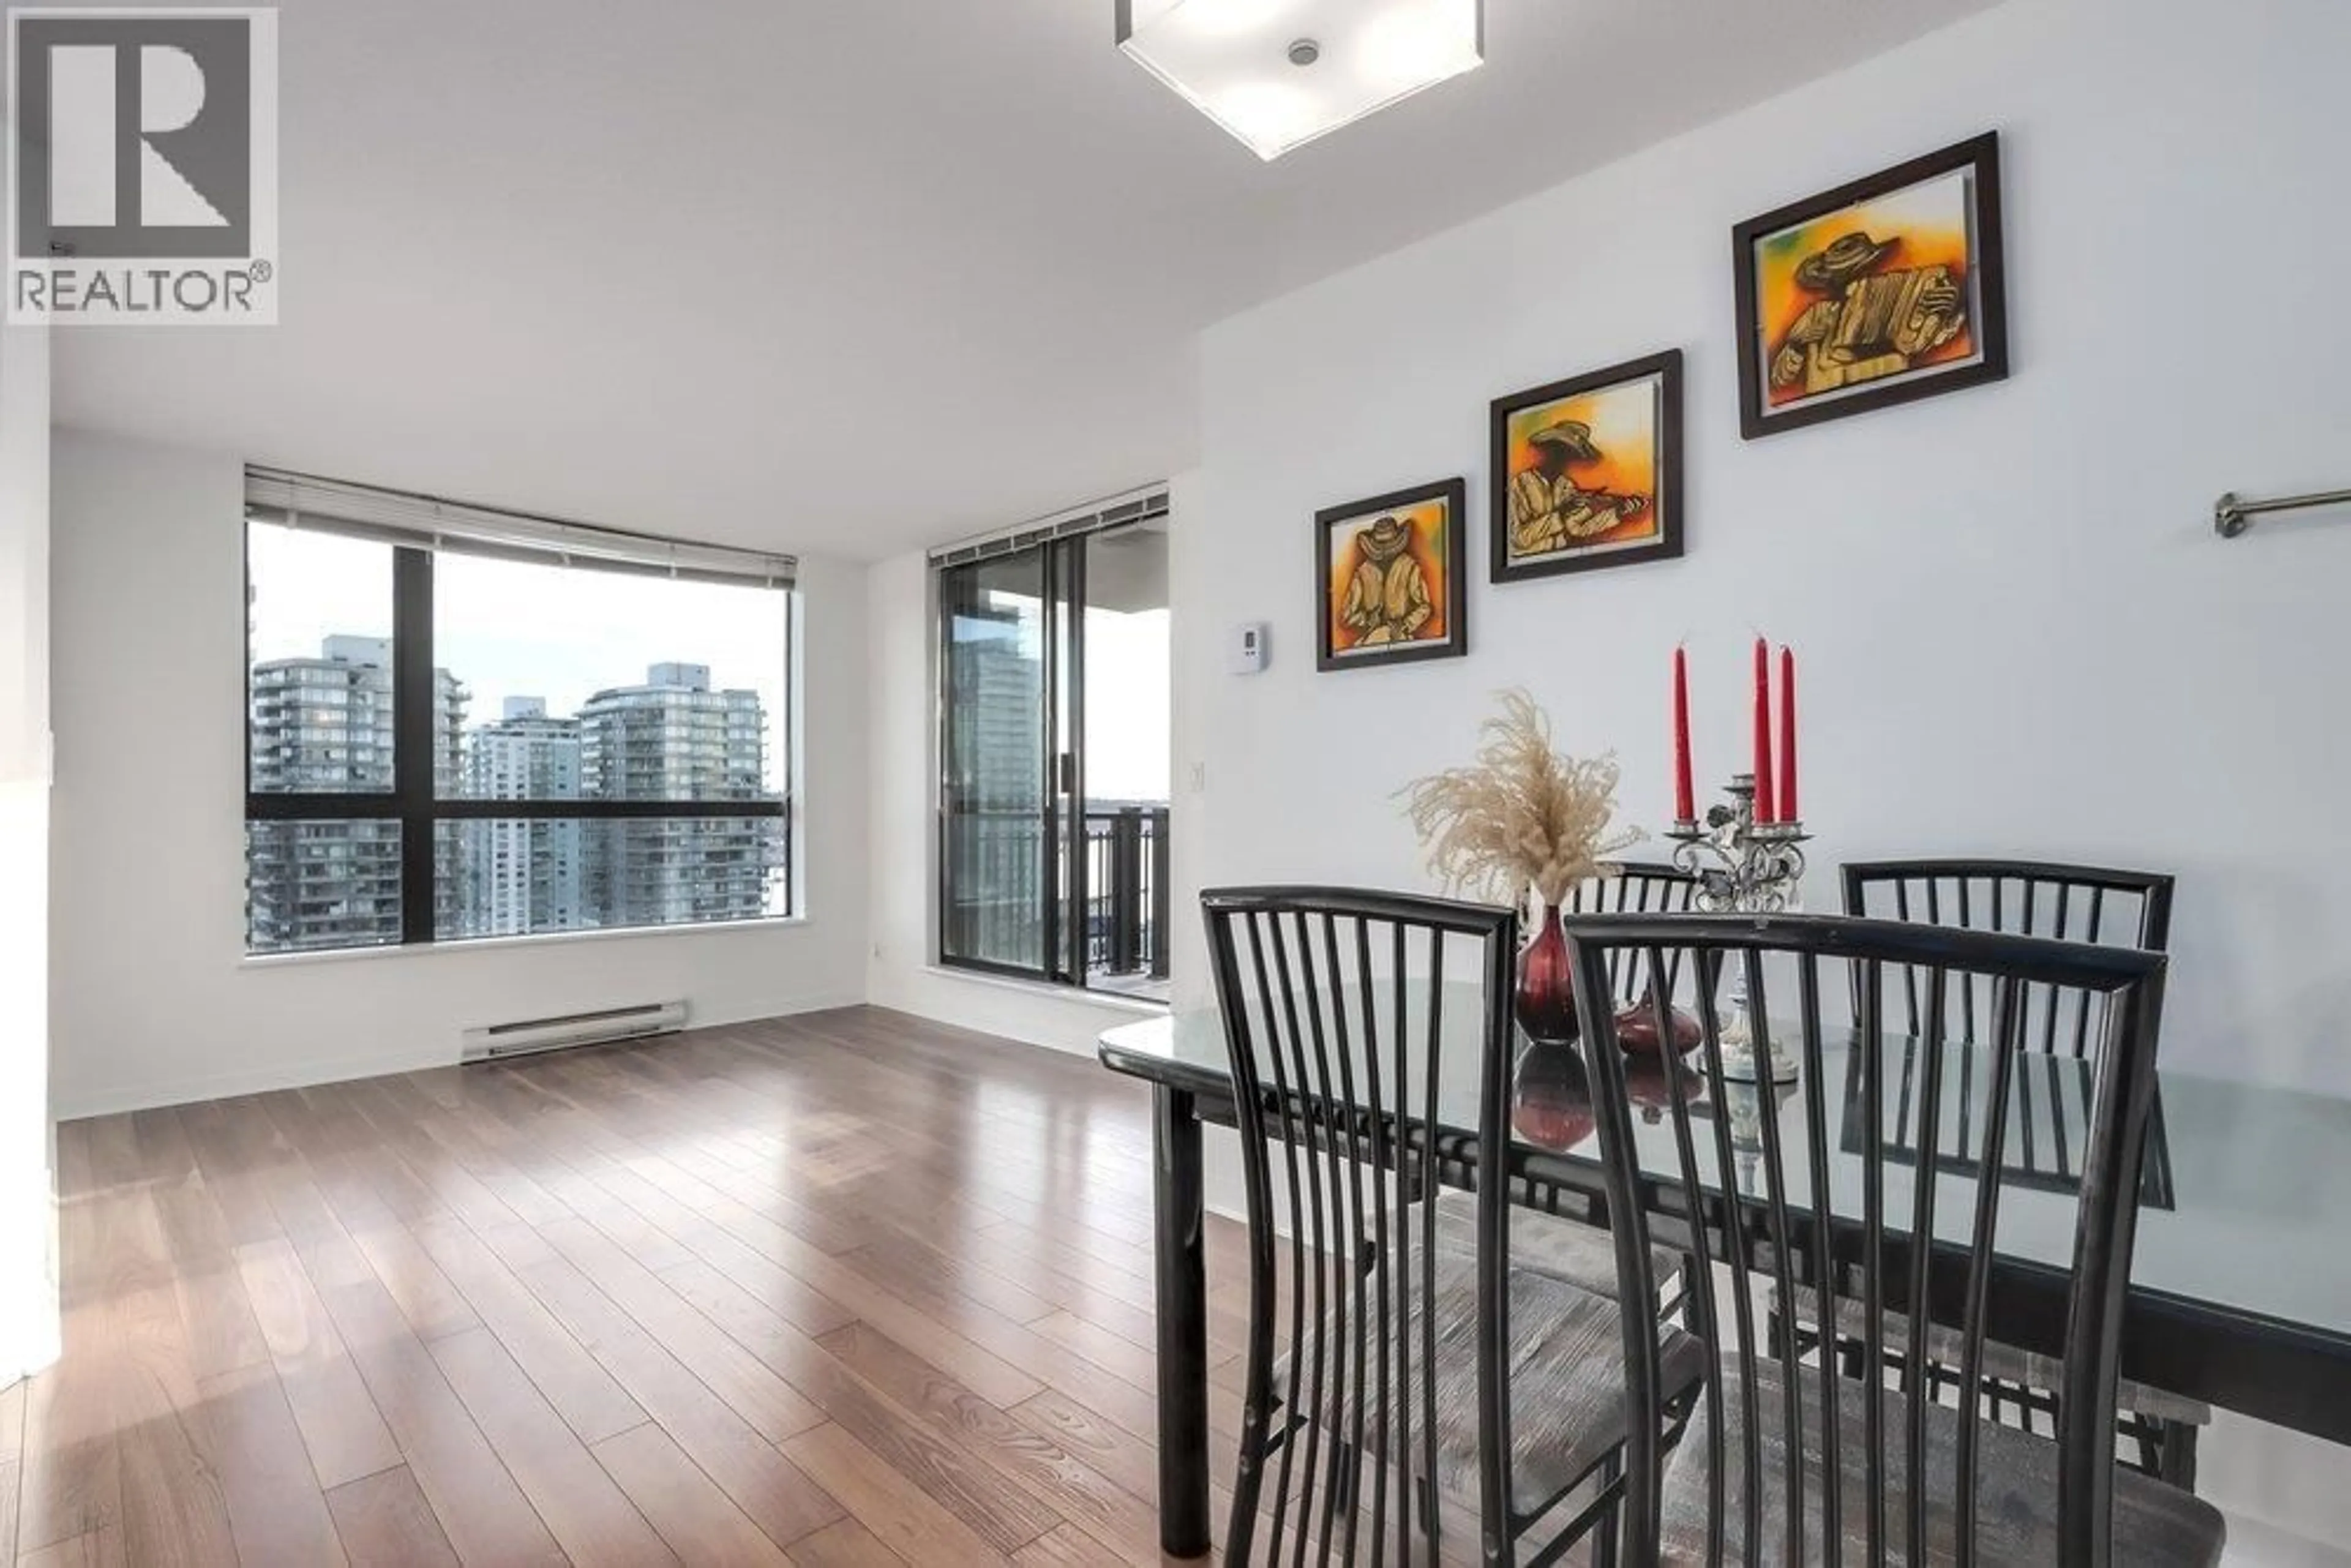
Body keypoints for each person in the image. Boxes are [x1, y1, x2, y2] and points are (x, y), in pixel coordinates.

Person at [1768, 229, 1966, 397]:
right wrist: (1796, 346)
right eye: (1852, 274)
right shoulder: (1817, 315)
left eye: (1866, 269)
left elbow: (1923, 342)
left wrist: (1948, 311)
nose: (1864, 280)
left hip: (1892, 401)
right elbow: (1778, 379)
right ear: (1834, 281)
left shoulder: (1901, 303)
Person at [1507, 421, 1649, 558]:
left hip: (1562, 561)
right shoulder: (1520, 484)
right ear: (1549, 449)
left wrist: (1617, 511)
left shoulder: (1566, 486)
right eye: (1561, 451)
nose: (1564, 459)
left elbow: (1577, 529)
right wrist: (1562, 513)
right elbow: (1519, 539)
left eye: (1571, 454)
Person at [1339, 514, 1433, 647]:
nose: (1385, 549)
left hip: (1401, 638)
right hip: (1372, 641)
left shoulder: (1409, 566)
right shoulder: (1363, 572)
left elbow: (1425, 606)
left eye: (1389, 544)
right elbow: (1347, 614)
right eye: (1381, 545)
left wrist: (1406, 624)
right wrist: (1367, 619)